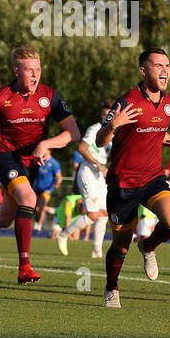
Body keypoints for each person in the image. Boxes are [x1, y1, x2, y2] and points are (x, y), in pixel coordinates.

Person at [0, 45, 80, 284]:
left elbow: (73, 133)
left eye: (38, 69)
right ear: (16, 71)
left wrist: (47, 144)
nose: (35, 75)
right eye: (29, 70)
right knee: (29, 198)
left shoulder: (50, 97)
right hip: (4, 156)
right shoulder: (0, 97)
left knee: (4, 220)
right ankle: (24, 266)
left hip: (30, 164)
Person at [95, 48, 170, 308]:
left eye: (167, 65)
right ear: (143, 70)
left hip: (152, 176)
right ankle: (111, 288)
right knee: (121, 245)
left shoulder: (169, 103)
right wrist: (113, 125)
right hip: (123, 183)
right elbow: (99, 140)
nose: (165, 71)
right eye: (158, 65)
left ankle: (148, 246)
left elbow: (157, 131)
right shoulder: (126, 102)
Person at [54, 102, 112, 258]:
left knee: (104, 213)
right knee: (93, 215)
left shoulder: (114, 132)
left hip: (100, 175)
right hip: (87, 172)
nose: (106, 117)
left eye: (109, 115)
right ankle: (63, 235)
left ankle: (97, 252)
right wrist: (99, 164)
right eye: (104, 114)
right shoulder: (95, 129)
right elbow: (82, 149)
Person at [33, 152, 63, 232]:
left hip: (47, 189)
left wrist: (57, 183)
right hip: (37, 188)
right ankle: (52, 210)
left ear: (49, 150)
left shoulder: (54, 163)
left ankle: (38, 226)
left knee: (41, 206)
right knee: (36, 207)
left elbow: (59, 177)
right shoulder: (39, 160)